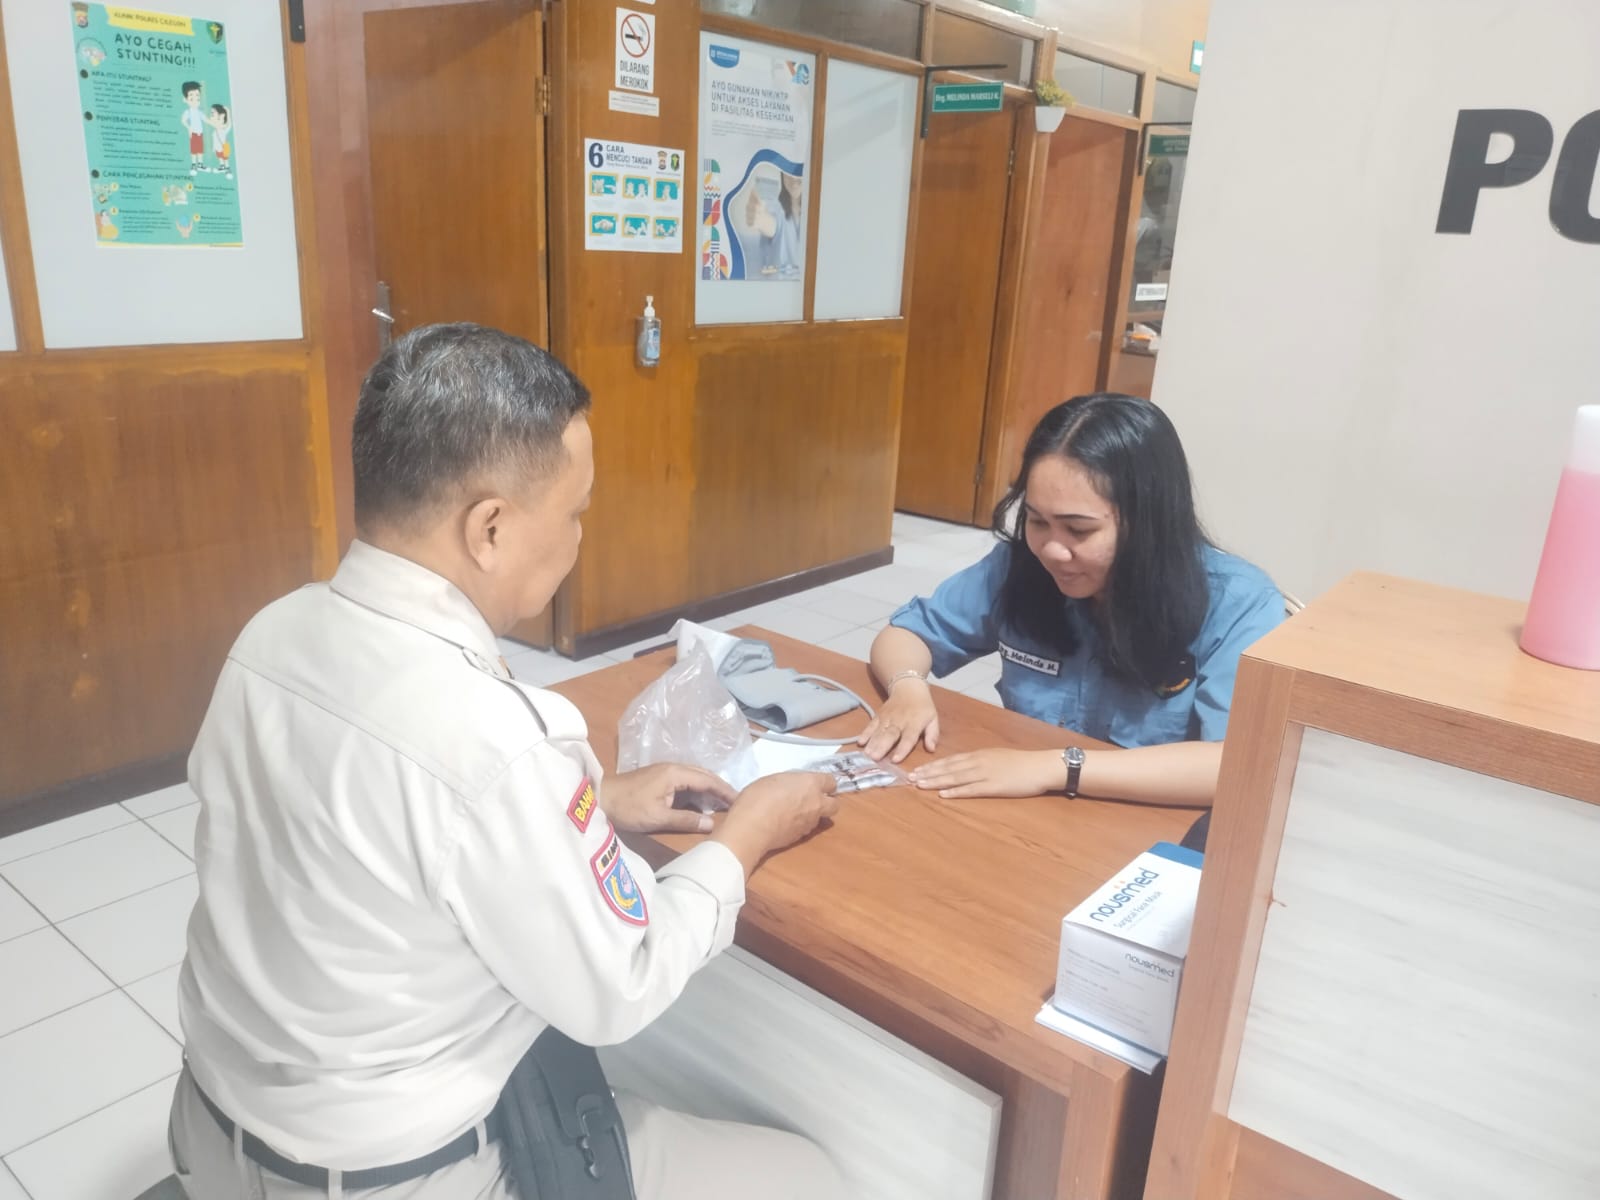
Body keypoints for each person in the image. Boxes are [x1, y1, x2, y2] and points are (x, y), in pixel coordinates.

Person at [167, 324, 847, 1198]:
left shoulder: (271, 633)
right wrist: (746, 835)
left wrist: (595, 796)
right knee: (810, 1175)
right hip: (387, 1178)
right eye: (575, 513)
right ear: (489, 528)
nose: (578, 539)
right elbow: (622, 984)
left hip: (211, 1133)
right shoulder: (497, 738)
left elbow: (370, 809)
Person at [858, 393, 1283, 807]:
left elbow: (1236, 767)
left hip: (1147, 823)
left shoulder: (1238, 602)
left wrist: (1059, 767)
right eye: (1037, 521)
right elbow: (908, 633)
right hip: (1033, 812)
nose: (1052, 551)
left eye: (1079, 530)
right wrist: (908, 688)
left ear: (1148, 521)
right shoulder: (1020, 566)